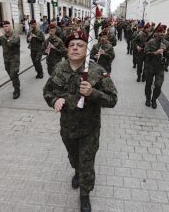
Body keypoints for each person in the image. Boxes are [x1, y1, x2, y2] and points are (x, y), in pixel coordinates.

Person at [43, 30, 117, 212]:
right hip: (68, 128)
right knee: (74, 158)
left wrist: (93, 93)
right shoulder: (59, 68)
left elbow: (112, 100)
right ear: (67, 49)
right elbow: (47, 91)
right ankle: (76, 171)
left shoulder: (98, 71)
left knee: (87, 164)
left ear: (86, 49)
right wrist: (54, 100)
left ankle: (85, 194)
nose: (75, 48)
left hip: (89, 129)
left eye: (80, 45)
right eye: (72, 45)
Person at [144, 26, 169, 108]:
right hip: (150, 66)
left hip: (160, 68)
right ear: (156, 33)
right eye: (159, 32)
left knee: (158, 85)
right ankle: (148, 99)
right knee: (148, 84)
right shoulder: (150, 42)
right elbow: (146, 53)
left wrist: (166, 51)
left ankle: (154, 99)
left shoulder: (167, 43)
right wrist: (155, 53)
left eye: (163, 32)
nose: (161, 34)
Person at [0, 21, 21, 99]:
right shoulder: (3, 37)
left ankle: (17, 90)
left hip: (14, 60)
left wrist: (2, 37)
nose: (5, 28)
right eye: (4, 26)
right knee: (12, 75)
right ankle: (16, 83)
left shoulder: (16, 37)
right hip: (6, 60)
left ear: (10, 26)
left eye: (7, 26)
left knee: (13, 74)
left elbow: (10, 43)